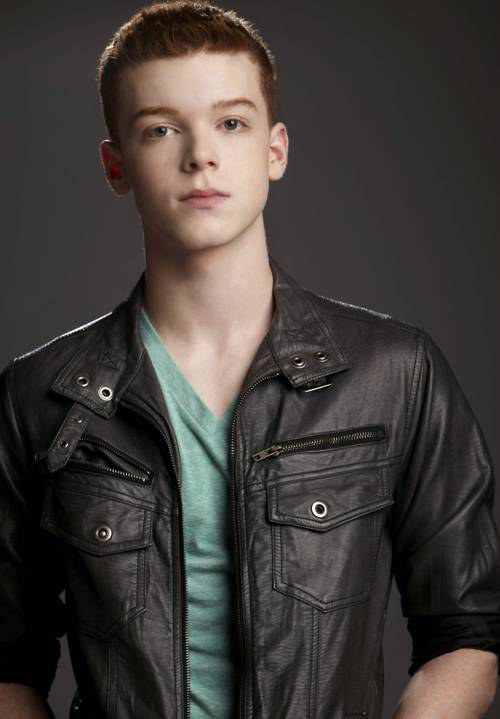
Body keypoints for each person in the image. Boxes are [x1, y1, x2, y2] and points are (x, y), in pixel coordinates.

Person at [0, 2, 499, 718]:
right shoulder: (36, 396)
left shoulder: (397, 373)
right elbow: (6, 662)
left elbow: (468, 632)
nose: (200, 154)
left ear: (275, 149)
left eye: (231, 123)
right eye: (161, 128)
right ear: (116, 165)